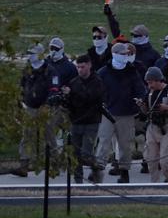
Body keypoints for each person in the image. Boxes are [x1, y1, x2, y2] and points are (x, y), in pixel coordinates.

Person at [95, 42, 146, 183]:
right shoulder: (103, 72)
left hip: (127, 113)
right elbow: (96, 91)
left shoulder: (132, 71)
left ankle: (124, 172)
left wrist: (140, 99)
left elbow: (141, 89)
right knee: (103, 142)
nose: (126, 56)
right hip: (107, 113)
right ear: (115, 54)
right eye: (123, 54)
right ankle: (98, 170)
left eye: (127, 54)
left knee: (125, 144)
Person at [13, 44, 60, 177]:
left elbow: (54, 89)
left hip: (46, 108)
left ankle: (54, 164)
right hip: (30, 107)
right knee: (27, 135)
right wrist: (21, 101)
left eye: (32, 53)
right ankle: (24, 165)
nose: (29, 55)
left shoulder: (50, 71)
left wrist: (46, 105)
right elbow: (21, 86)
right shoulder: (27, 70)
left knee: (49, 136)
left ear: (40, 54)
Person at [63, 55, 105, 183]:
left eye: (82, 67)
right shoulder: (74, 82)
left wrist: (72, 93)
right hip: (76, 121)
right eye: (78, 67)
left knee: (85, 154)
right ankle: (78, 181)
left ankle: (96, 167)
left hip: (91, 121)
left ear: (89, 65)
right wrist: (65, 98)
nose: (80, 70)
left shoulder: (97, 81)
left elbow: (91, 98)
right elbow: (70, 103)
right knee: (75, 154)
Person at [138, 66, 168, 182]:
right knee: (151, 159)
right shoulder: (149, 92)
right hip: (152, 127)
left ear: (159, 80)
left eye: (151, 82)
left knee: (165, 160)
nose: (149, 86)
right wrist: (142, 106)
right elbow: (146, 111)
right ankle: (154, 184)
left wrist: (167, 108)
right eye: (148, 83)